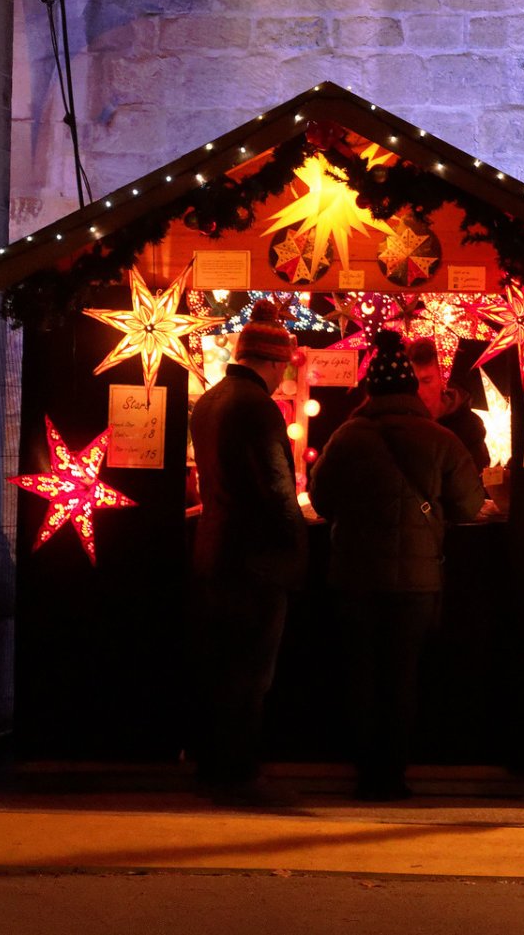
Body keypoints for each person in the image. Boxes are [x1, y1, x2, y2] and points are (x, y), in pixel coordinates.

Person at [308, 330, 489, 800]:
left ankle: (364, 773)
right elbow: (470, 506)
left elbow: (322, 499)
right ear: (410, 388)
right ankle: (392, 776)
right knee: (402, 675)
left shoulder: (347, 436)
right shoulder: (442, 439)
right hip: (416, 583)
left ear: (370, 391)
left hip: (354, 577)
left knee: (360, 673)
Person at [188, 298, 308, 807]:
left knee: (218, 666)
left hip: (213, 548)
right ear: (275, 362)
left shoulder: (209, 402)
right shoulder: (258, 409)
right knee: (251, 673)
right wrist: (296, 548)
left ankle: (211, 763)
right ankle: (238, 772)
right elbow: (279, 491)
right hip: (254, 559)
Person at [408, 336, 493, 471]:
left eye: (426, 380)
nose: (418, 390)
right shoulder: (403, 424)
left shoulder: (468, 425)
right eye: (414, 381)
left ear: (443, 379)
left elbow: (478, 473)